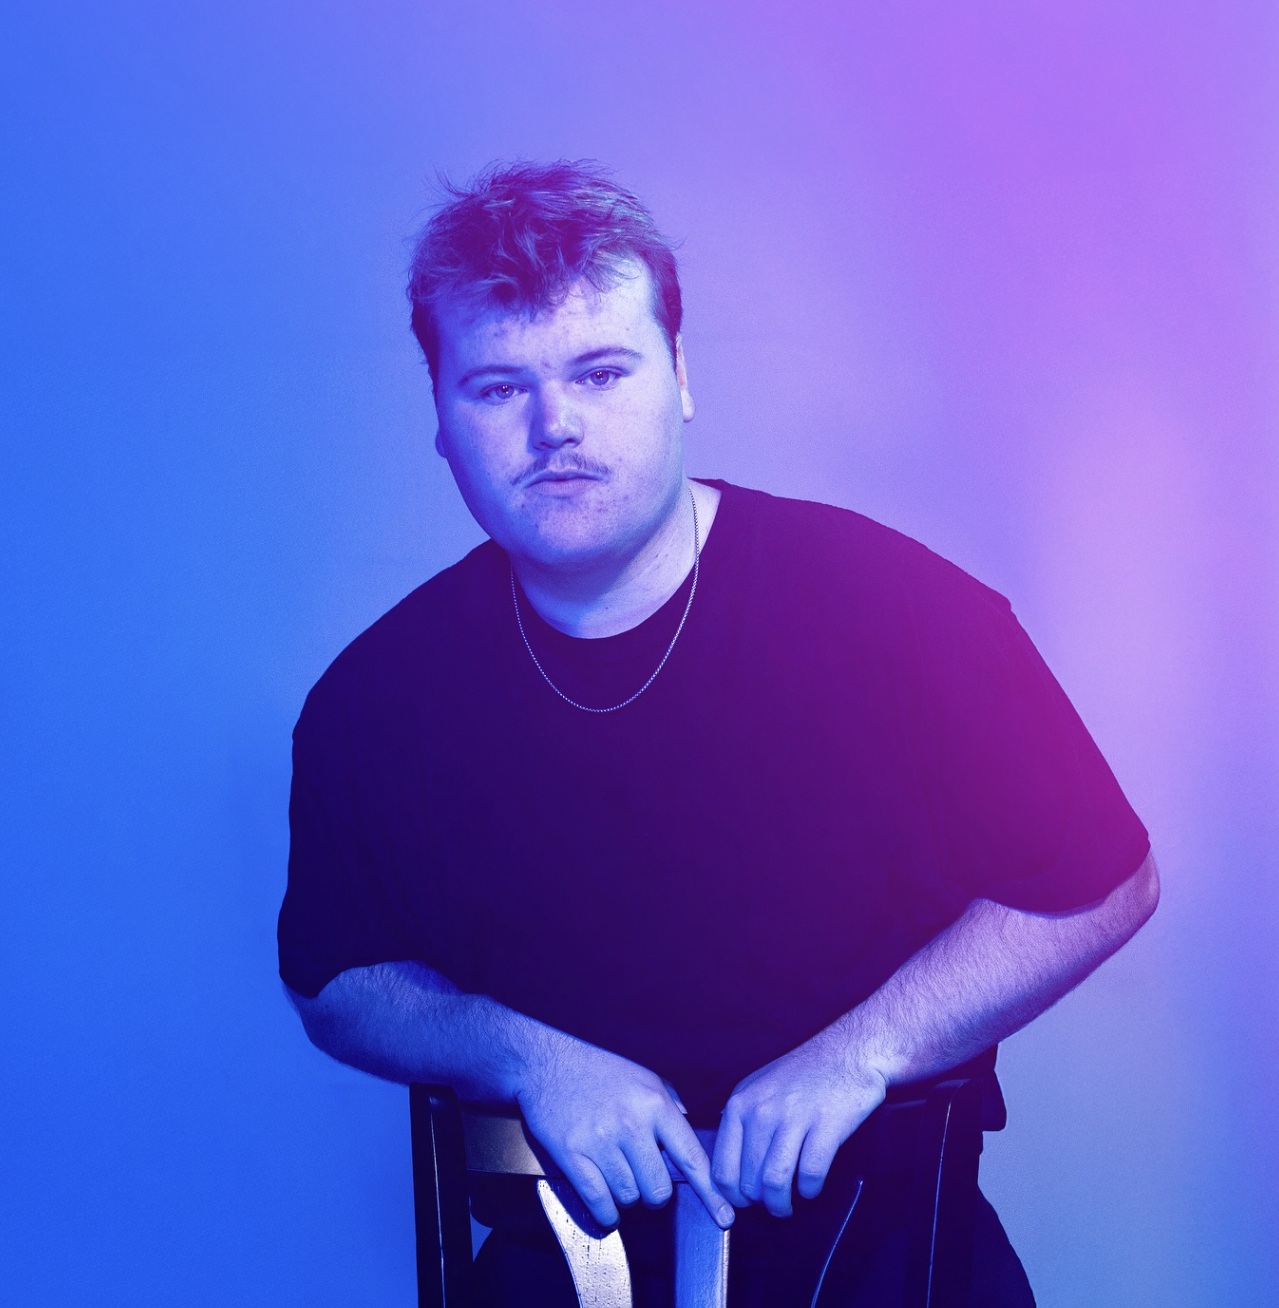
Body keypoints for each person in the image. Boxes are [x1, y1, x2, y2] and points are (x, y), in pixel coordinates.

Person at [278, 160, 1158, 1306]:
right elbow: (336, 977)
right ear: (440, 420)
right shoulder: (372, 700)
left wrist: (861, 1052)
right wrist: (523, 1054)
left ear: (681, 377)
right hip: (560, 1260)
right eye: (497, 389)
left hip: (890, 1253)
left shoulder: (897, 612)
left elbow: (1104, 879)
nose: (555, 427)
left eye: (601, 371)